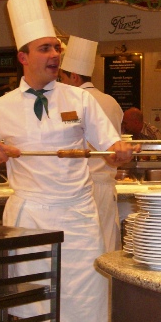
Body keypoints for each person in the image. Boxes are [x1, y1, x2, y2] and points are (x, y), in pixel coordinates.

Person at [0, 0, 137, 322]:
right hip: (29, 221)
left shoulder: (80, 100)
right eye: (45, 49)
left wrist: (120, 152)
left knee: (91, 314)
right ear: (23, 56)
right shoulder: (1, 107)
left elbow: (110, 149)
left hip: (78, 217)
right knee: (31, 314)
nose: (55, 55)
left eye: (56, 48)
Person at [58, 35, 124, 252]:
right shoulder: (112, 102)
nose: (61, 84)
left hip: (81, 187)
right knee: (105, 247)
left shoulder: (71, 103)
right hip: (106, 186)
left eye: (63, 78)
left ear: (74, 77)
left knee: (82, 251)